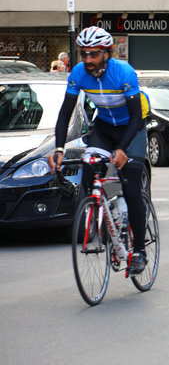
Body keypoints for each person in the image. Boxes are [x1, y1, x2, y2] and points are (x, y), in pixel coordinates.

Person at [48, 26, 150, 275]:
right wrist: (59, 148)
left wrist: (123, 149)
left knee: (132, 183)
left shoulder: (123, 72)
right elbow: (64, 114)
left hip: (132, 128)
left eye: (93, 54)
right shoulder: (79, 73)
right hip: (104, 127)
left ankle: (139, 251)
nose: (88, 60)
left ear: (106, 53)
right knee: (89, 166)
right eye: (84, 54)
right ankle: (95, 214)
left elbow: (136, 117)